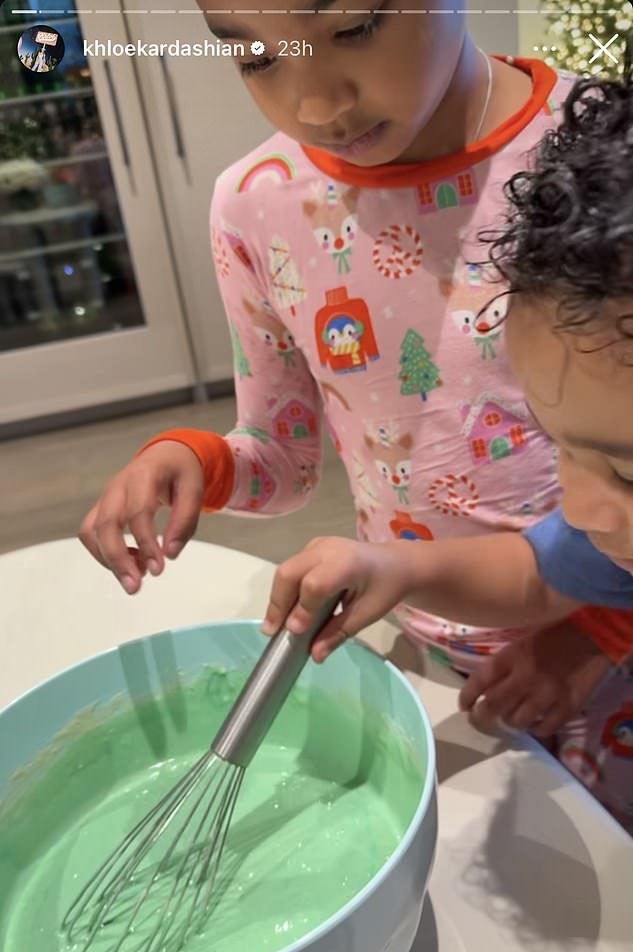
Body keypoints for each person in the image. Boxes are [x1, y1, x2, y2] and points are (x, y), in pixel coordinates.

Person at [78, 7, 633, 815]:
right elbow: (283, 455)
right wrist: (202, 462)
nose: (315, 103)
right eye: (258, 59)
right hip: (429, 648)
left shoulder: (595, 160)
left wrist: (597, 635)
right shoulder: (255, 207)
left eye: (355, 29)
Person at [262, 56, 633, 827]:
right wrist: (396, 565)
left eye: (626, 472)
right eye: (562, 448)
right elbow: (538, 573)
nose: (581, 505)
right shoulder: (607, 528)